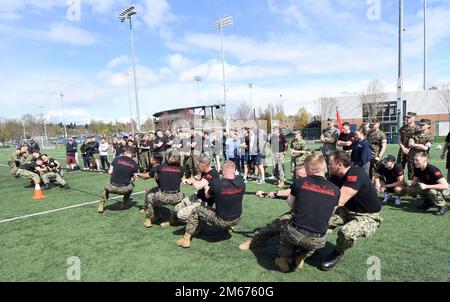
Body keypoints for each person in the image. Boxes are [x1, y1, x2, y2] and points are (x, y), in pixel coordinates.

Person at [274, 154, 340, 272]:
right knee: (314, 238)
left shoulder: (300, 183)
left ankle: (283, 259)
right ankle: (301, 256)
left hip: (295, 233)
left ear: (309, 169)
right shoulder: (336, 189)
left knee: (285, 222)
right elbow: (331, 213)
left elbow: (290, 204)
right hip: (318, 239)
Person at [322, 151, 383, 271]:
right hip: (347, 210)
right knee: (321, 221)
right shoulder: (335, 175)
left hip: (367, 215)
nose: (328, 166)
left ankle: (338, 252)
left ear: (340, 165)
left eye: (330, 164)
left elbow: (339, 201)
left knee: (346, 233)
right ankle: (311, 245)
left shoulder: (355, 175)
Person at [176, 160, 245, 248]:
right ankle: (229, 227)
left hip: (222, 220)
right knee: (228, 203)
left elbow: (207, 195)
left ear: (222, 172)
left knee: (197, 210)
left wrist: (207, 187)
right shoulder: (241, 182)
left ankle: (186, 239)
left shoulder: (217, 184)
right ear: (234, 170)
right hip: (237, 218)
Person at [239, 165, 307, 251]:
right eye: (296, 176)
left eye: (300, 176)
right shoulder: (299, 183)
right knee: (274, 225)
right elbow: (288, 195)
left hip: (306, 217)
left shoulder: (309, 184)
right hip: (298, 213)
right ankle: (253, 240)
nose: (298, 178)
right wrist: (266, 194)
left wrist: (271, 193)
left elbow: (288, 193)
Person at [142, 150, 185, 228]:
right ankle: (172, 219)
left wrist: (138, 174)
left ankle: (148, 220)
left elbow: (146, 176)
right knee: (184, 199)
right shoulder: (182, 169)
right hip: (177, 197)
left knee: (149, 196)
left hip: (162, 196)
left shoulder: (160, 167)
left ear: (167, 157)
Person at [397, 151, 448, 216]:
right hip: (427, 187)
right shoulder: (417, 168)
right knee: (410, 190)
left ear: (424, 160)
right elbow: (415, 180)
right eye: (414, 160)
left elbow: (445, 186)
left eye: (417, 160)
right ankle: (429, 202)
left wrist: (427, 186)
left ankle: (442, 207)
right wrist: (410, 183)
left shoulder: (432, 169)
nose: (415, 162)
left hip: (441, 189)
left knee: (431, 192)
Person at [176, 156, 221, 223]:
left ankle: (198, 222)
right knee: (177, 207)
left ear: (203, 166)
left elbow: (198, 185)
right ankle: (172, 221)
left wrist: (192, 182)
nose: (197, 167)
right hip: (198, 196)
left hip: (204, 202)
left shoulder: (212, 174)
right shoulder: (204, 171)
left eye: (198, 166)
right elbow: (197, 179)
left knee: (181, 215)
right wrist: (188, 180)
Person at [97, 147, 139, 213]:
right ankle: (124, 203)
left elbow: (110, 172)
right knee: (132, 185)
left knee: (107, 186)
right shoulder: (135, 164)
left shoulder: (116, 159)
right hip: (124, 189)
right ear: (133, 155)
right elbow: (135, 178)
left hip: (112, 187)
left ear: (125, 152)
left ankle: (101, 204)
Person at [398, 112, 419, 179]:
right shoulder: (402, 128)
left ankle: (411, 185)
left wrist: (409, 149)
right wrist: (403, 148)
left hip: (412, 152)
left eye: (409, 117)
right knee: (399, 168)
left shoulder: (418, 129)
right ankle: (401, 183)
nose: (407, 119)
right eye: (406, 117)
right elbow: (399, 140)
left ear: (414, 118)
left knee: (412, 169)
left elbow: (418, 141)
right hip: (402, 151)